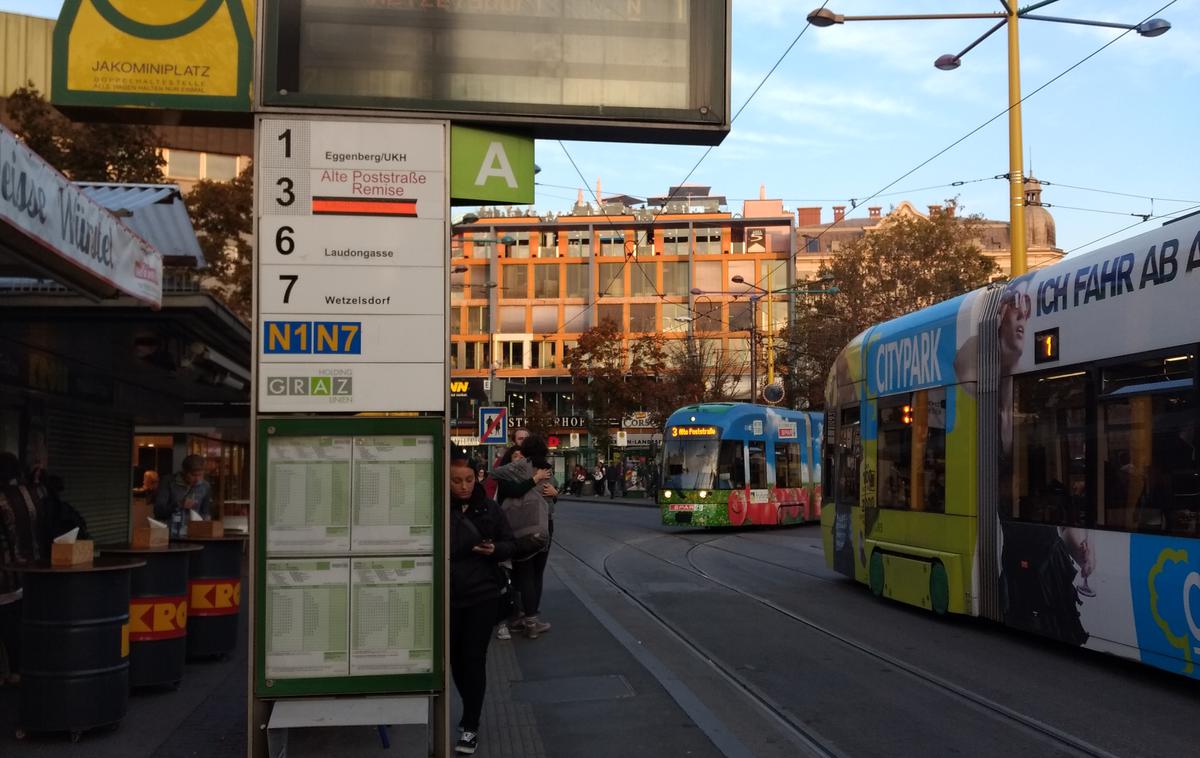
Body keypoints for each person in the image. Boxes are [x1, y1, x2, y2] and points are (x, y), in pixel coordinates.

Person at [449, 451, 515, 755]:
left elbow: (510, 544)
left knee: (473, 659)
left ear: (477, 477)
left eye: (468, 479)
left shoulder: (489, 508)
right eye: (455, 480)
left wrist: (495, 549)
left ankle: (471, 723)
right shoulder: (439, 508)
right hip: (449, 597)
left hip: (482, 596)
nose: (463, 486)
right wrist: (467, 546)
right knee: (455, 661)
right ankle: (469, 709)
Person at [490, 437, 556, 640]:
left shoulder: (519, 467)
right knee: (536, 574)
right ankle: (531, 619)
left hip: (519, 528)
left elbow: (495, 473)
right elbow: (549, 500)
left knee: (525, 574)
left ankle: (527, 618)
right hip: (543, 528)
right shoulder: (546, 470)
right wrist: (554, 492)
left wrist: (508, 462)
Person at [0, 452, 42, 685]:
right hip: (32, 568)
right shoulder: (31, 494)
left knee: (7, 622)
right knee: (22, 619)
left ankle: (14, 670)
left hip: (6, 572)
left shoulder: (2, 500)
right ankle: (24, 667)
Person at [155, 455, 213, 538]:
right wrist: (179, 504)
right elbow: (158, 511)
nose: (197, 479)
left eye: (200, 475)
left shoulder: (205, 486)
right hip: (169, 535)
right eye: (193, 475)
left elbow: (206, 512)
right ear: (184, 471)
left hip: (194, 535)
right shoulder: (169, 482)